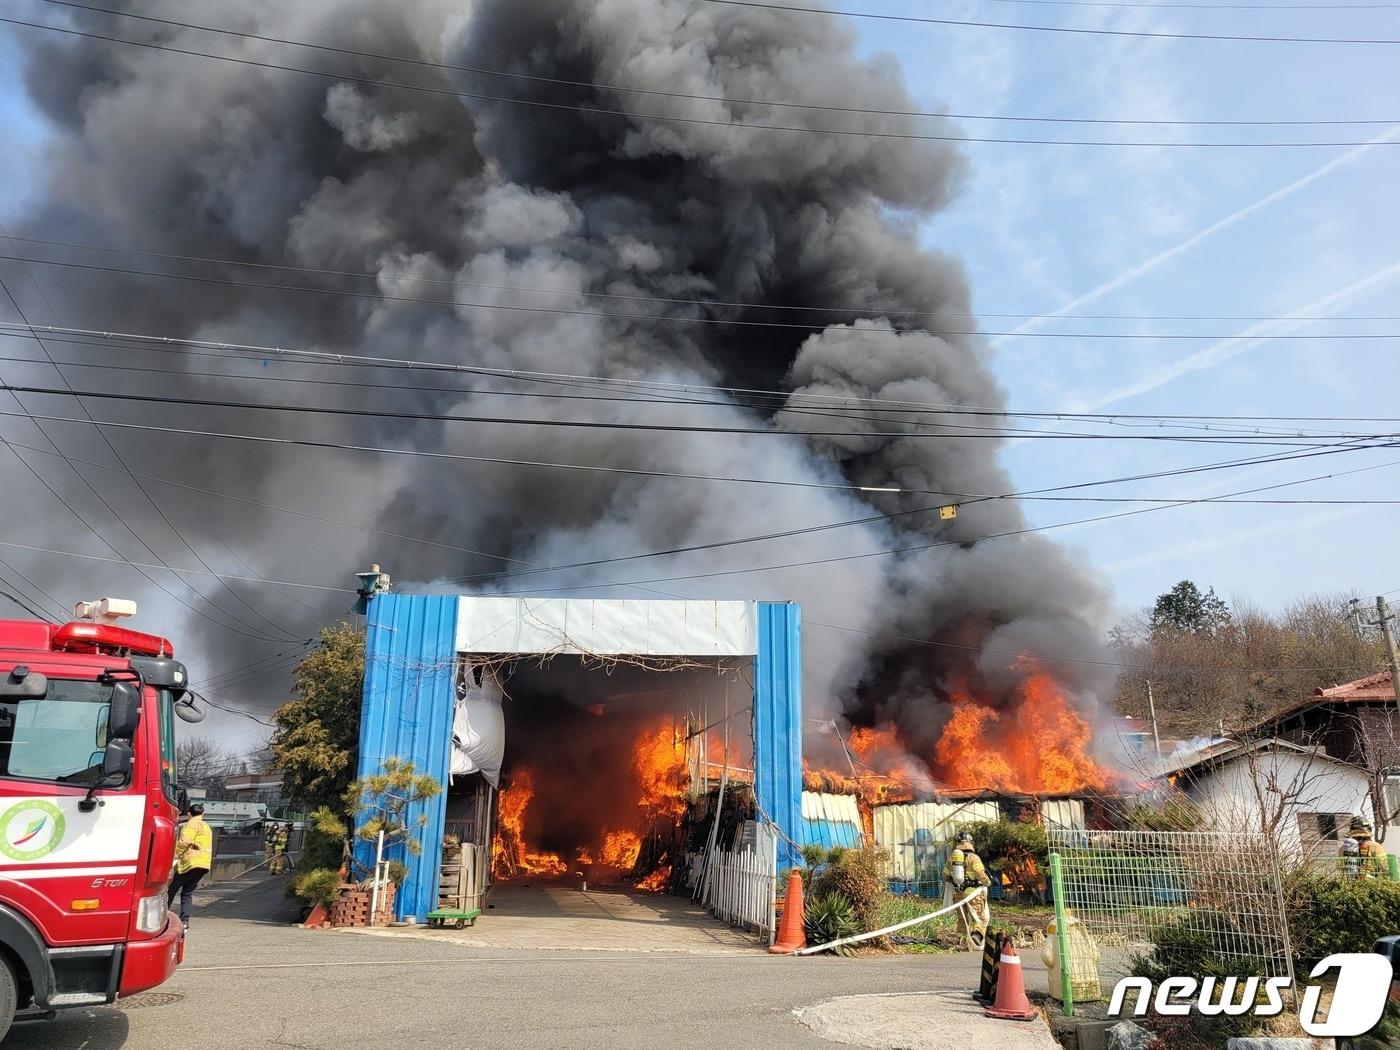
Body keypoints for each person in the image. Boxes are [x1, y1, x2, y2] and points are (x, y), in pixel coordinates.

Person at [942, 831, 992, 950]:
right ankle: (976, 936)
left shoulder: (952, 860)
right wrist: (987, 882)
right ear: (970, 843)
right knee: (979, 917)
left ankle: (962, 941)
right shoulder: (974, 858)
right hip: (973, 894)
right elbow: (979, 873)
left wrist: (956, 881)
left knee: (962, 919)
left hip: (957, 895)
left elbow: (945, 875)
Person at [168, 803, 212, 928]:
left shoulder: (192, 824)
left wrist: (175, 854)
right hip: (204, 864)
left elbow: (184, 841)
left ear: (189, 813)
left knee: (171, 888)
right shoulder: (206, 826)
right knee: (187, 892)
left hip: (191, 862)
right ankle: (185, 920)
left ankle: (162, 915)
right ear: (203, 814)